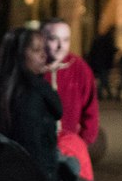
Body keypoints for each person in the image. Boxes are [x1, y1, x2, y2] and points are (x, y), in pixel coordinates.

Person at [0, 26, 62, 181]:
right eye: (36, 50)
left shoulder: (3, 91)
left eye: (43, 49)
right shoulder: (30, 97)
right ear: (19, 55)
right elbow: (33, 151)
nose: (43, 55)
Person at [41, 18, 99, 146]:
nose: (61, 46)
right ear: (42, 39)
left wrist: (81, 143)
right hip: (37, 147)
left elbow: (91, 111)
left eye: (66, 40)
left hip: (70, 146)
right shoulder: (32, 67)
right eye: (54, 39)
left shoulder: (80, 68)